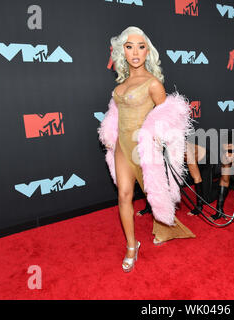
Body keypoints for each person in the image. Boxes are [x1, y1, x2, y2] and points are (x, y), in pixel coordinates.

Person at [98, 26, 195, 272]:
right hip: (122, 148)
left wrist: (160, 137)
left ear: (147, 51)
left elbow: (168, 116)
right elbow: (115, 117)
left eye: (141, 47)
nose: (135, 52)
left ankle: (165, 227)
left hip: (144, 150)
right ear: (122, 51)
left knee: (156, 194)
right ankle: (132, 245)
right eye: (129, 47)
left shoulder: (153, 84)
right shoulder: (119, 87)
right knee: (123, 196)